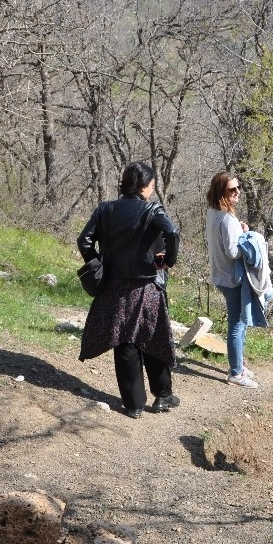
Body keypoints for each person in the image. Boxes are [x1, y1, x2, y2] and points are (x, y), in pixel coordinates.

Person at [78, 162, 180, 419]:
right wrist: (168, 260)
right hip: (146, 285)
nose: (152, 191)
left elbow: (84, 241)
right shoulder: (152, 209)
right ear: (144, 187)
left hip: (113, 286)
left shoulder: (105, 209)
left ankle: (133, 404)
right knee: (153, 338)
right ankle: (163, 396)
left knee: (124, 341)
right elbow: (172, 232)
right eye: (152, 186)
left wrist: (97, 263)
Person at [205, 171, 258, 388]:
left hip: (221, 275)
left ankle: (239, 365)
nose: (237, 192)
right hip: (231, 278)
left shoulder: (213, 212)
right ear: (221, 192)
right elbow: (232, 252)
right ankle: (236, 372)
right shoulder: (226, 218)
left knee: (239, 322)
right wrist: (247, 236)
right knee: (237, 324)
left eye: (238, 187)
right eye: (232, 189)